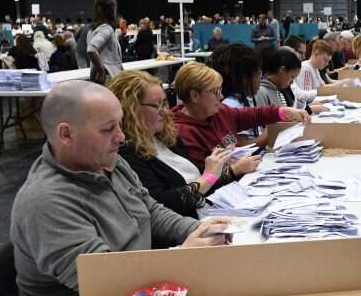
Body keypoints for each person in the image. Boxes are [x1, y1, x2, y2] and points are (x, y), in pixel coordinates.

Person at [9, 81, 233, 296]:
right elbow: (105, 282)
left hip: (133, 292)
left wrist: (201, 229)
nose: (122, 136)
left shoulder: (108, 161)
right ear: (66, 134)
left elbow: (150, 210)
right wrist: (180, 257)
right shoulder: (46, 201)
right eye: (108, 129)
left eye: (119, 124)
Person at [108, 70, 260, 219]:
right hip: (191, 226)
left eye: (165, 103)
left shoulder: (166, 137)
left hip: (206, 214)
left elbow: (202, 180)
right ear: (130, 109)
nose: (165, 112)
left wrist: (224, 169)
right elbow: (162, 206)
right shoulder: (125, 153)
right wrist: (211, 176)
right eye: (156, 106)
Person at [171, 61, 309, 166]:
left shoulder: (220, 112)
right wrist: (235, 170)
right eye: (215, 91)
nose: (221, 96)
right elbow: (203, 179)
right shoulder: (184, 133)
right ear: (195, 96)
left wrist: (284, 111)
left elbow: (253, 115)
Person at [254, 48, 328, 114]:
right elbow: (266, 126)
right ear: (282, 71)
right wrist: (307, 109)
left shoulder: (279, 89)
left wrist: (306, 108)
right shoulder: (262, 93)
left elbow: (289, 111)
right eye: (292, 77)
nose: (292, 82)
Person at [209, 43, 262, 110]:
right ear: (245, 79)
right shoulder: (231, 107)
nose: (260, 79)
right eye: (258, 74)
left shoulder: (242, 100)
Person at [87, 0, 122, 84]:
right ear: (112, 10)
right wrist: (101, 71)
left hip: (98, 77)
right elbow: (92, 49)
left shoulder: (92, 30)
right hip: (108, 77)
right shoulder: (106, 28)